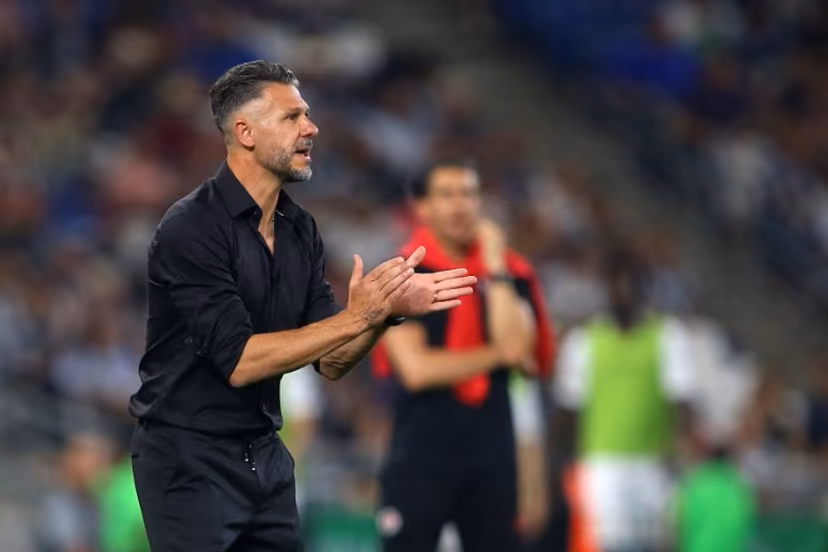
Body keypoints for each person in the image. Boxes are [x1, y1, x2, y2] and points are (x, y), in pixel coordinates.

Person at [127, 60, 477, 552]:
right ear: (245, 132)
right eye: (292, 117)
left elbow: (332, 361)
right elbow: (241, 362)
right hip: (189, 458)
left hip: (265, 455)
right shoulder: (192, 228)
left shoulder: (300, 230)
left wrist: (384, 314)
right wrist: (359, 317)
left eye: (307, 115)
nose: (310, 128)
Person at [372, 160, 556, 552]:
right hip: (422, 453)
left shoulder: (514, 274)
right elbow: (417, 371)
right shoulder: (403, 275)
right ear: (422, 208)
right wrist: (496, 355)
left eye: (469, 194)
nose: (461, 206)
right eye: (447, 195)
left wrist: (496, 269)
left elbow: (524, 357)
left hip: (492, 457)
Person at [552, 248, 695, 552]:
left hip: (653, 462)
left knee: (655, 543)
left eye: (633, 284)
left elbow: (682, 405)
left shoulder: (669, 337)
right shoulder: (585, 341)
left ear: (646, 289)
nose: (625, 293)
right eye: (618, 285)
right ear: (607, 290)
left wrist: (677, 450)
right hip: (602, 465)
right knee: (607, 544)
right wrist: (564, 465)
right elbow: (567, 410)